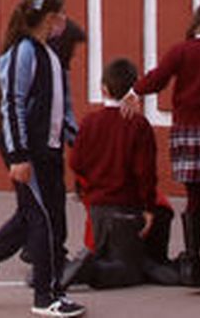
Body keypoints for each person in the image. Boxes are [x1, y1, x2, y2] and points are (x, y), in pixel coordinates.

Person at [0, 0, 84, 318]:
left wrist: (79, 142)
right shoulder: (23, 51)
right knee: (42, 219)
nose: (64, 20)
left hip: (48, 146)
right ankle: (46, 296)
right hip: (26, 147)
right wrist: (18, 156)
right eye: (61, 13)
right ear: (50, 16)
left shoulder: (51, 55)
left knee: (44, 216)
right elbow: (11, 106)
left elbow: (63, 108)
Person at [125, 2, 200, 300]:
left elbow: (159, 76)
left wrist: (135, 91)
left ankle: (193, 265)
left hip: (186, 131)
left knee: (194, 196)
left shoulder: (182, 50)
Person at [64, 57, 179, 290]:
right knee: (129, 271)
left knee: (116, 255)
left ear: (103, 88)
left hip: (97, 207)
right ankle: (94, 270)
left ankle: (94, 262)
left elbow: (76, 162)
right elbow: (144, 172)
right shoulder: (138, 125)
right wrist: (147, 207)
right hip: (128, 207)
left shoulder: (89, 122)